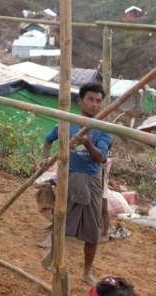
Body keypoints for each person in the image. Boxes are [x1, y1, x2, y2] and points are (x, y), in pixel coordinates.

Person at [34, 82, 112, 285]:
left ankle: (86, 272)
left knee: (92, 229)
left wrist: (86, 142)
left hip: (92, 180)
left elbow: (100, 158)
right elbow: (48, 140)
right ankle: (53, 254)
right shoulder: (67, 122)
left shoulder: (104, 128)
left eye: (98, 101)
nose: (94, 104)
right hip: (68, 175)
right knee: (61, 218)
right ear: (81, 101)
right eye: (90, 99)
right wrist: (44, 159)